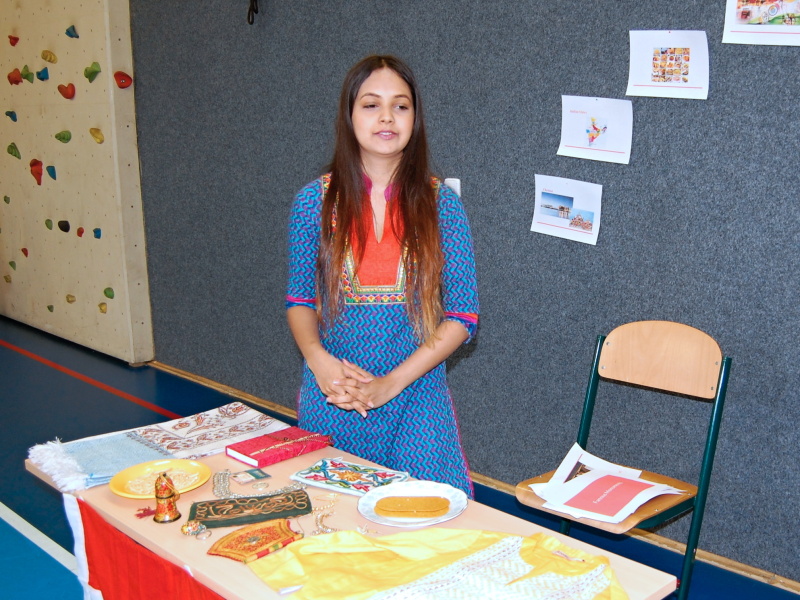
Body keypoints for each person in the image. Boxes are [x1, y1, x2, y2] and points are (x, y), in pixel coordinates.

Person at [286, 55, 479, 496]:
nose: (387, 117)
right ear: (349, 115)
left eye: (401, 106)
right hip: (336, 393)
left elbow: (463, 316)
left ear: (415, 118)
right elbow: (299, 301)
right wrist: (319, 360)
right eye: (371, 105)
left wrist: (389, 385)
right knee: (334, 519)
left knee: (427, 517)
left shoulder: (441, 204)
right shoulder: (313, 202)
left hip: (415, 397)